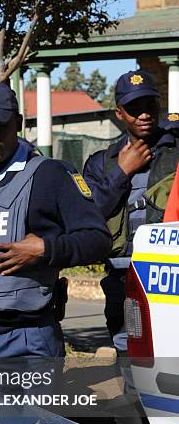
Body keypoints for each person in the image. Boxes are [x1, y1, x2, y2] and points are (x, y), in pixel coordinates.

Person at [0, 82, 112, 363]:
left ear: (17, 123)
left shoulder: (50, 175)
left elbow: (98, 239)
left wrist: (45, 249)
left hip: (26, 340)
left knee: (31, 411)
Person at [83, 70, 179, 353]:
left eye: (149, 105)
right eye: (134, 108)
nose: (144, 114)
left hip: (170, 274)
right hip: (122, 278)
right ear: (119, 113)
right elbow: (87, 215)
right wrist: (121, 173)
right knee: (129, 354)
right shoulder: (102, 163)